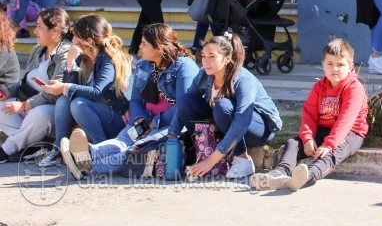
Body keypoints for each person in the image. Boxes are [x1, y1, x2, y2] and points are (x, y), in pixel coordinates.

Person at [60, 23, 200, 179]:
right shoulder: (144, 65)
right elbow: (135, 100)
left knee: (135, 149)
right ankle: (89, 152)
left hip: (172, 125)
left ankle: (90, 167)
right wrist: (140, 118)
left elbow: (183, 106)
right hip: (146, 121)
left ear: (159, 48)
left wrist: (156, 121)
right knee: (123, 140)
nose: (139, 46)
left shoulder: (184, 67)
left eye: (144, 44)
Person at [251, 38, 368, 192]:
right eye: (330, 64)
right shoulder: (319, 87)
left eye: (340, 65)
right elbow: (309, 114)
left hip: (351, 132)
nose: (335, 69)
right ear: (323, 65)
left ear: (351, 67)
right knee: (293, 143)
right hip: (323, 128)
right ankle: (279, 173)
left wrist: (329, 144)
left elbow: (346, 120)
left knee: (335, 152)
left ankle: (308, 175)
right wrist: (307, 138)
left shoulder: (354, 89)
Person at [167, 33, 282, 179]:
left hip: (259, 128)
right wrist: (171, 137)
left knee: (223, 106)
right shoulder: (204, 74)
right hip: (226, 124)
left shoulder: (242, 79)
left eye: (212, 56)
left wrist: (211, 161)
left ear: (227, 59)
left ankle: (242, 158)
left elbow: (242, 120)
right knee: (186, 101)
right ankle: (203, 149)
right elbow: (184, 105)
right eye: (203, 56)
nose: (206, 62)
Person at [37, 14, 132, 167]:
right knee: (63, 100)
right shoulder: (84, 58)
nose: (72, 40)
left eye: (75, 36)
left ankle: (101, 150)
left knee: (78, 104)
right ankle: (58, 150)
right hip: (97, 114)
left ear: (88, 40)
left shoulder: (109, 59)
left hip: (117, 120)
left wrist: (64, 87)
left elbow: (97, 91)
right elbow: (69, 91)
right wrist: (70, 64)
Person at [0, 8, 72, 163]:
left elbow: (56, 92)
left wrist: (25, 105)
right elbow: (26, 82)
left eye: (39, 26)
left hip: (48, 109)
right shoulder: (38, 49)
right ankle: (33, 147)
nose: (35, 31)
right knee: (1, 107)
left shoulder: (65, 53)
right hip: (27, 105)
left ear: (55, 30)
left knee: (39, 114)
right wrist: (9, 90)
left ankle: (7, 149)